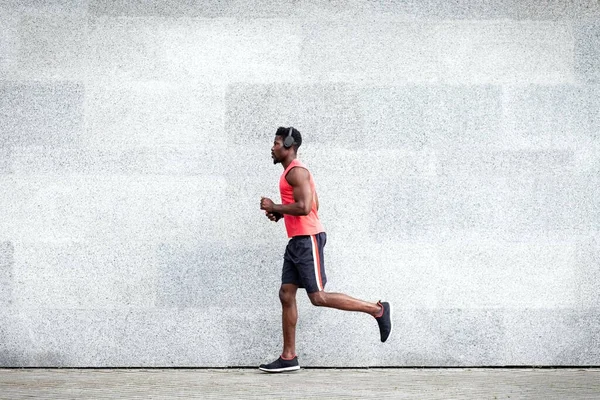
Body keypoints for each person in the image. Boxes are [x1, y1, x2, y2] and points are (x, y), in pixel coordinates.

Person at [258, 126, 392, 373]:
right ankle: (289, 357)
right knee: (286, 294)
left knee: (318, 297)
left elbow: (307, 207)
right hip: (297, 240)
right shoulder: (291, 172)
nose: (272, 147)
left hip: (307, 239)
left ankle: (377, 309)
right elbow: (313, 203)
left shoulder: (296, 171)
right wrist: (280, 213)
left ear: (288, 144)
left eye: (276, 143)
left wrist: (276, 205)